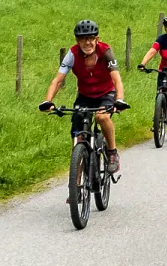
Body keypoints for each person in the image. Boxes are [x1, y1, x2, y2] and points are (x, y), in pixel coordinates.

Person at [40, 19, 130, 172]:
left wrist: (119, 100)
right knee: (78, 139)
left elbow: (117, 80)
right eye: (82, 39)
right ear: (77, 40)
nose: (87, 42)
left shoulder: (106, 51)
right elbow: (57, 80)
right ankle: (75, 187)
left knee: (101, 117)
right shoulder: (72, 54)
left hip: (106, 93)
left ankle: (112, 152)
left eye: (90, 38)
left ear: (97, 39)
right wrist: (48, 101)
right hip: (85, 95)